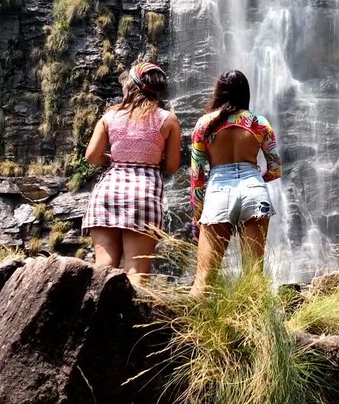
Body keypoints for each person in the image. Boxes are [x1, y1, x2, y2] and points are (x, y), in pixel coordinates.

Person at [82, 62, 181, 285]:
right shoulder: (167, 119)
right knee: (136, 273)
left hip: (108, 192)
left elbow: (92, 156)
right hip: (143, 195)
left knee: (103, 269)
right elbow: (172, 166)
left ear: (130, 86)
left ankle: (98, 308)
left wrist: (114, 159)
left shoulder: (110, 116)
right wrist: (149, 159)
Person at [189, 70, 281, 298]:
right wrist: (255, 178)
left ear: (219, 92)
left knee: (203, 280)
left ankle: (193, 321)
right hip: (254, 191)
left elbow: (197, 175)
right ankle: (258, 321)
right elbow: (275, 168)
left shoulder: (205, 124)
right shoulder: (259, 123)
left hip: (219, 192)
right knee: (254, 276)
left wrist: (197, 213)